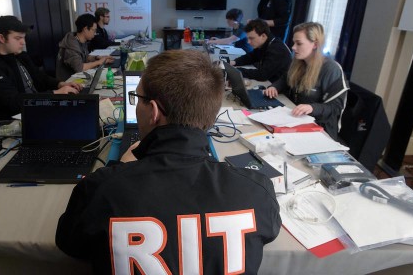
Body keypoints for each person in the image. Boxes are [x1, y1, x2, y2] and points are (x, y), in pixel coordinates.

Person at [56, 50, 281, 274]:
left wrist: (119, 169)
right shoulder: (257, 192)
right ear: (211, 116)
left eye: (138, 98)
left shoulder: (100, 190)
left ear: (153, 111)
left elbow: (69, 243)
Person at [0, 15, 83, 125]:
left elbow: (40, 78)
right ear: (2, 38)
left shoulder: (20, 56)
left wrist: (60, 84)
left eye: (23, 38)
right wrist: (55, 93)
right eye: (18, 38)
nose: (23, 42)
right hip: (13, 122)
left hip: (36, 109)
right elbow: (14, 102)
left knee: (83, 109)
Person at [264, 22, 348, 140]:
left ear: (315, 44)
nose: (293, 47)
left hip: (320, 128)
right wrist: (275, 87)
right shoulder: (299, 62)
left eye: (299, 43)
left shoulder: (331, 69)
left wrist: (312, 108)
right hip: (295, 119)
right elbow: (285, 79)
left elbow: (336, 107)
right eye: (294, 42)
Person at [56, 13, 114, 81]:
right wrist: (99, 62)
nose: (95, 33)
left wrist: (97, 58)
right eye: (94, 30)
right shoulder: (71, 45)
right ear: (86, 29)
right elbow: (80, 68)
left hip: (78, 78)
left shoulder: (81, 41)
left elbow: (85, 57)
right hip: (68, 82)